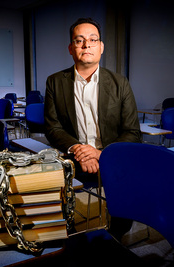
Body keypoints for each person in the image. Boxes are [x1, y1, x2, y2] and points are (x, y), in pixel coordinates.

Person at [44, 17, 142, 238]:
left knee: (122, 221)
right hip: (73, 158)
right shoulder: (54, 82)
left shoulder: (120, 83)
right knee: (48, 201)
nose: (86, 45)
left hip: (111, 156)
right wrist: (80, 150)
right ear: (71, 48)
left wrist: (100, 153)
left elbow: (132, 132)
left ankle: (116, 241)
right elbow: (53, 128)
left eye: (92, 39)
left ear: (101, 47)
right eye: (79, 40)